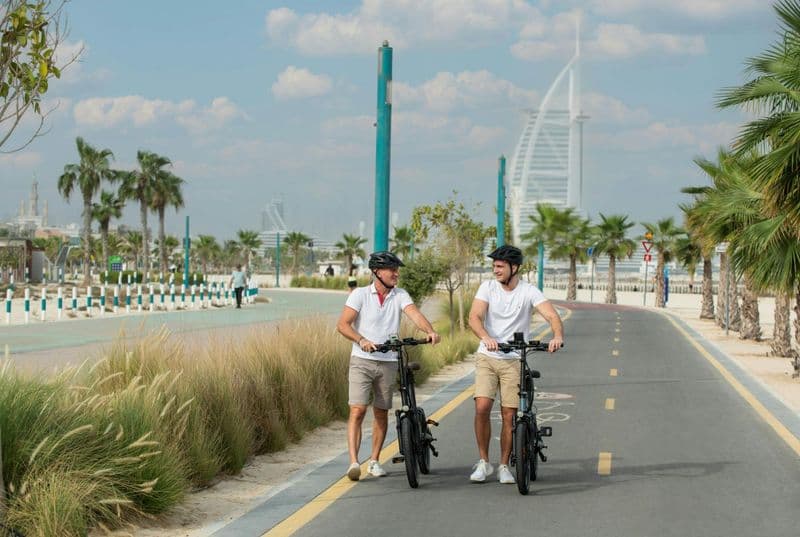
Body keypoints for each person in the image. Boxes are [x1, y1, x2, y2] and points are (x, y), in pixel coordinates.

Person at [336, 251, 441, 481]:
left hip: (389, 361)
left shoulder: (400, 295)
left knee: (381, 412)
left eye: (397, 270)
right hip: (362, 360)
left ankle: (374, 461)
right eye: (392, 270)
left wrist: (430, 331)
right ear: (377, 272)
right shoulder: (360, 295)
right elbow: (343, 325)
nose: (396, 274)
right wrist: (361, 340)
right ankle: (354, 463)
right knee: (357, 410)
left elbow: (415, 315)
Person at [467, 244, 564, 484]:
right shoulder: (487, 287)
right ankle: (483, 462)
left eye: (500, 266)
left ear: (514, 268)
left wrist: (557, 336)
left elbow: (552, 315)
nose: (496, 270)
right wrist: (486, 337)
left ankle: (503, 465)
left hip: (513, 359)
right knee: (482, 407)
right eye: (494, 266)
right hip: (488, 356)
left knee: (509, 415)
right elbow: (474, 317)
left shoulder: (528, 291)